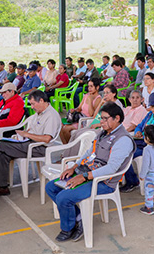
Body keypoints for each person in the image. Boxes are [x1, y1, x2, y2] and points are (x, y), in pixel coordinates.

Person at [45, 102, 134, 242]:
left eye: (105, 118)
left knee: (63, 197)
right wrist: (74, 167)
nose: (101, 122)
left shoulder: (123, 140)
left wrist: (84, 177)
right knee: (51, 187)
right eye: (101, 118)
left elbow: (111, 168)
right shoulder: (103, 133)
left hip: (103, 181)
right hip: (87, 172)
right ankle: (78, 218)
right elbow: (88, 152)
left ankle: (68, 228)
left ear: (117, 118)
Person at [0, 91, 61, 198]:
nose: (32, 107)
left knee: (1, 145)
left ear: (41, 100)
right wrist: (23, 136)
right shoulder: (39, 112)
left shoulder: (51, 115)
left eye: (33, 104)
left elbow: (46, 139)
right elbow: (32, 129)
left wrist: (27, 134)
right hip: (29, 143)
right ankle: (2, 187)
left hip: (39, 147)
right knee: (3, 154)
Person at [121, 92, 154, 193]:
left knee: (126, 154)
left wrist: (145, 135)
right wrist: (138, 131)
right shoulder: (150, 114)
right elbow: (140, 125)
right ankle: (126, 178)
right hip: (143, 142)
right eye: (152, 107)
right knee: (122, 149)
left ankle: (132, 181)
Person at [62, 78, 102, 143]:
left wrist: (90, 101)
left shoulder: (98, 99)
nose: (89, 88)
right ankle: (66, 146)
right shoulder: (87, 95)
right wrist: (74, 110)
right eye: (88, 86)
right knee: (61, 126)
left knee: (66, 129)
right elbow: (79, 108)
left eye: (91, 86)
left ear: (97, 87)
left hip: (85, 120)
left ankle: (69, 147)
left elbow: (92, 114)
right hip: (78, 117)